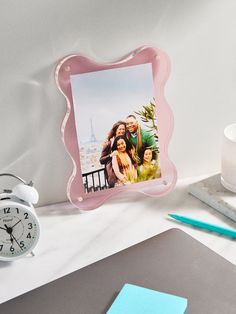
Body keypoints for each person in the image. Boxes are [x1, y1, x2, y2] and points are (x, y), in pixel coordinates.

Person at [100, 121, 126, 187]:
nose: (122, 131)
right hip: (114, 177)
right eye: (120, 129)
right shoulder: (109, 143)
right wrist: (111, 155)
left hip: (125, 174)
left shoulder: (125, 141)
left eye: (123, 129)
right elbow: (101, 160)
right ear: (115, 130)